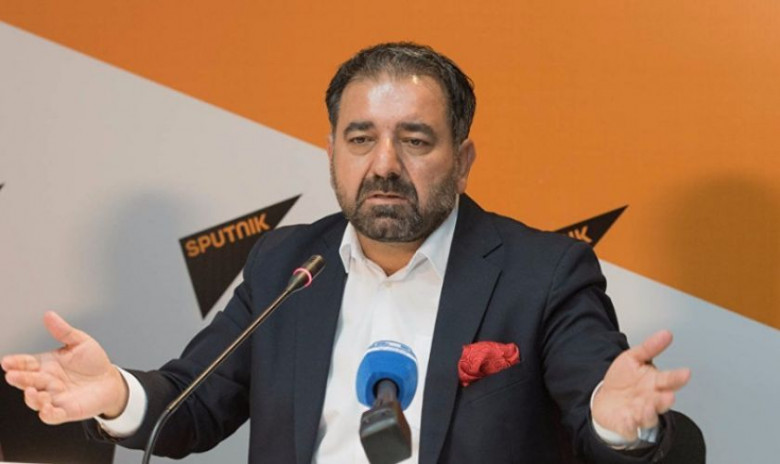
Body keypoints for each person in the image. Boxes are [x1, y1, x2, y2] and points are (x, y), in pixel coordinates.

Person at [1, 42, 690, 463]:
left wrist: (614, 424)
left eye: (415, 140)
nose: (384, 164)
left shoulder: (543, 273)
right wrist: (115, 393)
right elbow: (195, 405)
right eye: (360, 139)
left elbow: (599, 412)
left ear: (462, 159)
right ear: (332, 151)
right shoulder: (285, 262)